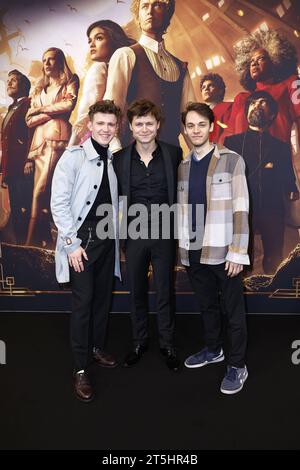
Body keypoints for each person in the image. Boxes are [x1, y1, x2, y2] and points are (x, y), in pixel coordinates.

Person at [50, 100, 121, 402]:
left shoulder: (115, 158)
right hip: (81, 241)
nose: (105, 129)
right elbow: (58, 203)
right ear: (90, 125)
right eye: (100, 123)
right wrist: (72, 244)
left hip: (107, 239)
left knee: (103, 298)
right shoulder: (73, 157)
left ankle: (95, 348)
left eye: (111, 124)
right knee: (84, 302)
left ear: (116, 127)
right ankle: (81, 368)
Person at [178, 102, 250, 394]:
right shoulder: (182, 166)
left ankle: (237, 365)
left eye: (201, 125)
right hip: (194, 249)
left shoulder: (232, 160)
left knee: (233, 310)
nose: (196, 130)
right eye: (190, 125)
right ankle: (213, 349)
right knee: (206, 304)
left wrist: (237, 250)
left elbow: (242, 208)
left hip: (224, 249)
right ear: (185, 130)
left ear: (211, 127)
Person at [113, 99, 182, 371]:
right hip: (134, 233)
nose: (144, 129)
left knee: (165, 290)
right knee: (137, 291)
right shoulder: (119, 159)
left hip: (165, 232)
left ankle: (167, 344)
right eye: (139, 124)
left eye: (149, 123)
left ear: (158, 126)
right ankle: (139, 342)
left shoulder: (174, 154)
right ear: (131, 127)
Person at [224, 91, 299, 273]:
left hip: (272, 209)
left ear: (272, 114)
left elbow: (289, 181)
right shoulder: (231, 142)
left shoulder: (280, 146)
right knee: (239, 259)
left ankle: (271, 297)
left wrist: (292, 192)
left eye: (262, 102)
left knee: (274, 258)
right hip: (241, 209)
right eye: (252, 103)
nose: (256, 105)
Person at [104, 0, 195, 147]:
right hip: (134, 158)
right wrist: (116, 153)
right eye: (145, 6)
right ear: (138, 15)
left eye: (157, 5)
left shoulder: (180, 67)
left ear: (167, 13)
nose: (150, 11)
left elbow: (190, 121)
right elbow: (111, 110)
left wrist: (202, 158)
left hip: (172, 160)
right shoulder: (126, 55)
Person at [25, 47, 79, 248]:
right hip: (39, 145)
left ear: (60, 61)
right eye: (44, 60)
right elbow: (29, 121)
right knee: (40, 192)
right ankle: (42, 239)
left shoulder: (70, 81)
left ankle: (31, 241)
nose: (46, 63)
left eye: (51, 59)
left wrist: (39, 110)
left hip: (59, 141)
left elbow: (68, 106)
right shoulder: (38, 89)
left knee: (44, 191)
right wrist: (49, 111)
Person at [225, 30, 300, 174]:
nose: (254, 63)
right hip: (243, 173)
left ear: (275, 60)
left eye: (261, 58)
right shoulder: (241, 98)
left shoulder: (290, 84)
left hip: (276, 168)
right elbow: (229, 136)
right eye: (251, 61)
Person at [69, 20, 133, 147]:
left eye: (98, 38)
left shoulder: (102, 68)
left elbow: (86, 112)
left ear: (114, 39)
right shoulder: (100, 68)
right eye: (89, 40)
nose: (91, 44)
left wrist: (72, 146)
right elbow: (86, 114)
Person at [0, 70, 32, 244]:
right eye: (8, 80)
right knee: (15, 209)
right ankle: (19, 246)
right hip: (11, 169)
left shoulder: (28, 104)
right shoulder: (10, 109)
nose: (9, 83)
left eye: (14, 80)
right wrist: (4, 171)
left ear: (24, 86)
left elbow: (31, 133)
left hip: (22, 167)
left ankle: (26, 245)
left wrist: (29, 159)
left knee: (24, 206)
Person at [200, 73, 232, 144]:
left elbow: (231, 134)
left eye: (211, 86)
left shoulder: (229, 107)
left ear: (220, 91)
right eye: (203, 87)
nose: (206, 89)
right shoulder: (199, 116)